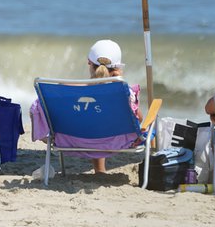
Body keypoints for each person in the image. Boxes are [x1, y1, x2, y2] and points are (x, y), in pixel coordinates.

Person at [30, 39, 142, 174]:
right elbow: (138, 118)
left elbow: (37, 108)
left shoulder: (66, 92)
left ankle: (99, 169)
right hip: (114, 142)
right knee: (103, 122)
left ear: (89, 62)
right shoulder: (124, 93)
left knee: (92, 119)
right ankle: (100, 171)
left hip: (72, 141)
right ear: (118, 68)